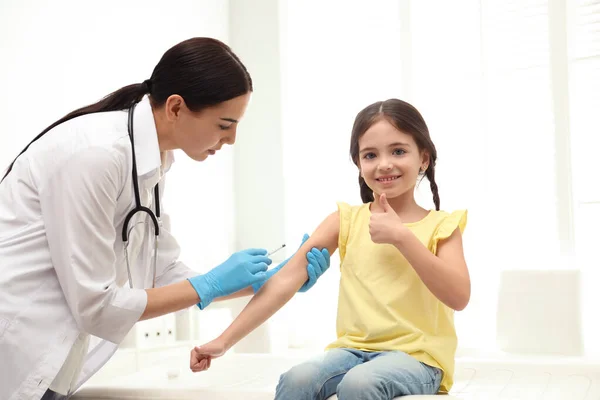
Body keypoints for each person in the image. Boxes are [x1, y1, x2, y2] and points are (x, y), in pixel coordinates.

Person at [0, 37, 331, 400]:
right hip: (16, 349)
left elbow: (163, 271)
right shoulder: (95, 155)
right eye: (224, 125)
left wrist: (269, 281)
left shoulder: (152, 161)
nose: (233, 139)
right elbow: (95, 305)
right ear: (176, 107)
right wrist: (210, 284)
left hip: (50, 363)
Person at [190, 99, 471, 399]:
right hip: (352, 352)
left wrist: (402, 237)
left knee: (360, 384)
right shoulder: (344, 221)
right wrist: (224, 341)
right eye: (370, 155)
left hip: (420, 359)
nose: (384, 163)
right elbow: (284, 280)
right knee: (296, 380)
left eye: (398, 151)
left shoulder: (442, 226)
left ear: (424, 159)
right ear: (359, 163)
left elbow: (459, 296)